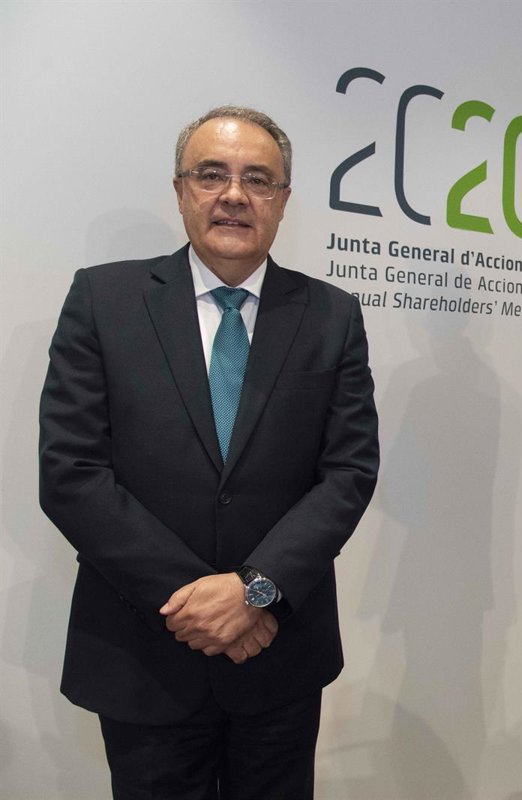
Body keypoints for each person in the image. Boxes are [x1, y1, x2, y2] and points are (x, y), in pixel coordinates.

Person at [39, 105, 380, 798]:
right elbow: (71, 473)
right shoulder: (103, 299)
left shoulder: (332, 314)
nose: (234, 194)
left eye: (258, 179)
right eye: (211, 174)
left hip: (280, 653)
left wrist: (255, 591)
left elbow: (348, 472)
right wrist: (199, 604)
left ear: (283, 200)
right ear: (180, 189)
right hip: (144, 654)